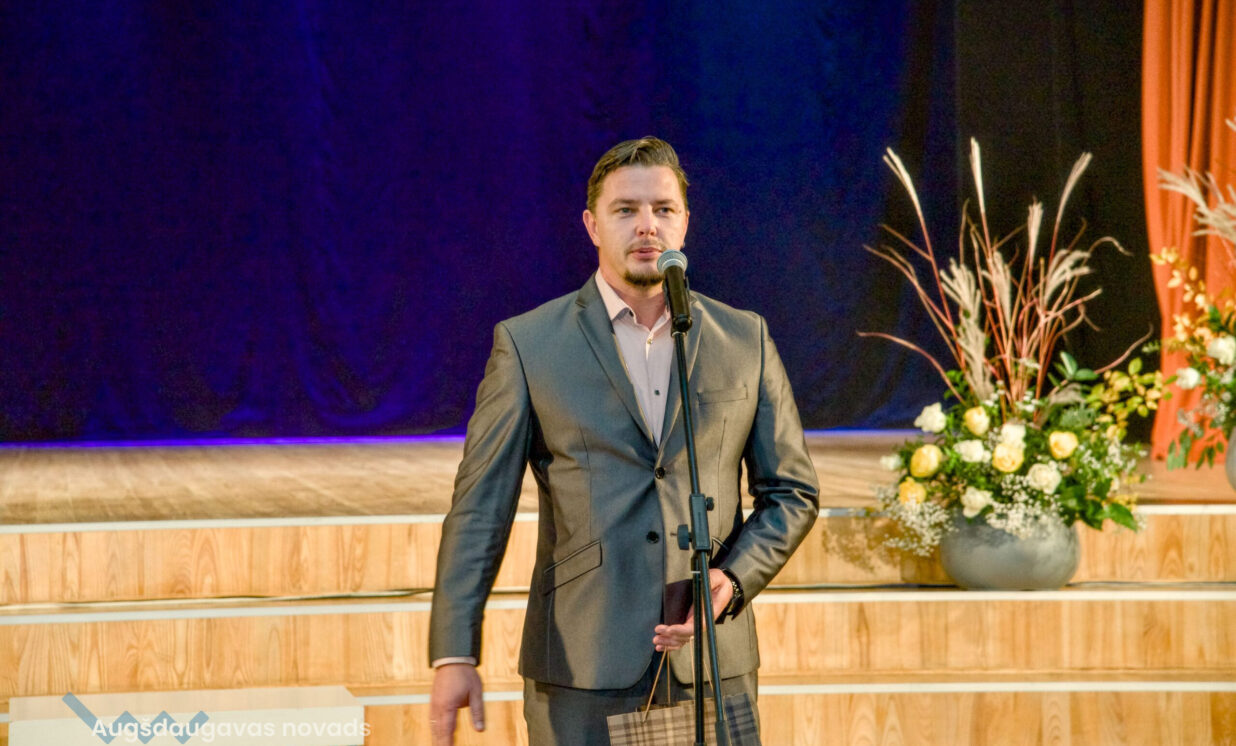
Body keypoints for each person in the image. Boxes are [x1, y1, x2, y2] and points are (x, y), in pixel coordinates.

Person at [428, 136, 819, 745]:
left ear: (684, 222)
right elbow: (480, 508)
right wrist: (455, 651)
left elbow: (792, 491)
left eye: (663, 209)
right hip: (583, 663)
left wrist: (734, 578)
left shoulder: (744, 339)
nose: (646, 226)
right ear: (592, 225)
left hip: (709, 661)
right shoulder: (531, 345)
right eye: (625, 210)